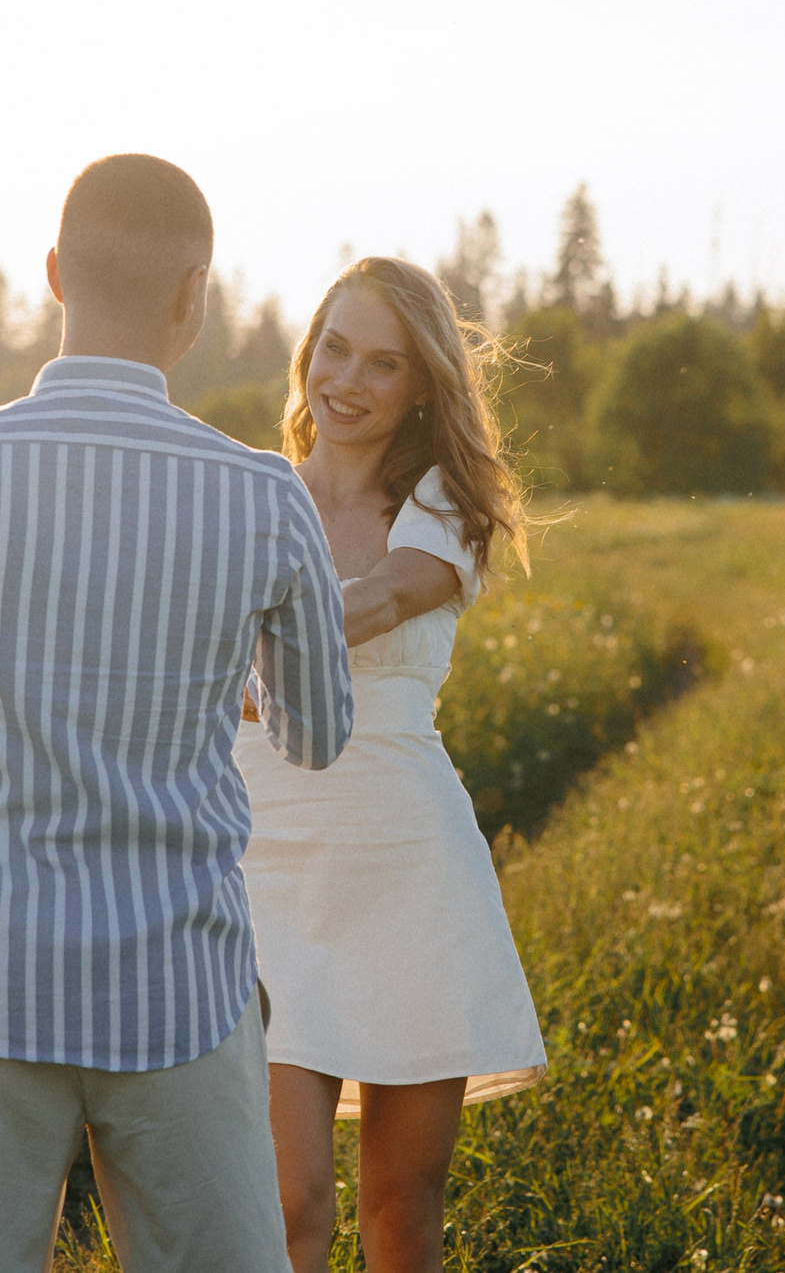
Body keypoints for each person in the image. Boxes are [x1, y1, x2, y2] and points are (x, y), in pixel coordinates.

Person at [0, 154, 353, 1273]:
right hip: (184, 997)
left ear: (55, 274)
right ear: (194, 296)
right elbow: (316, 732)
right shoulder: (263, 496)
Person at [235, 256, 549, 1273]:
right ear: (306, 351)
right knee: (283, 1203)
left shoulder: (444, 507)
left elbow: (369, 605)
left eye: (384, 364)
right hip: (259, 871)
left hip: (405, 868)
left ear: (421, 388)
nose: (349, 381)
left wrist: (227, 647)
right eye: (334, 348)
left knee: (401, 1212)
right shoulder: (244, 501)